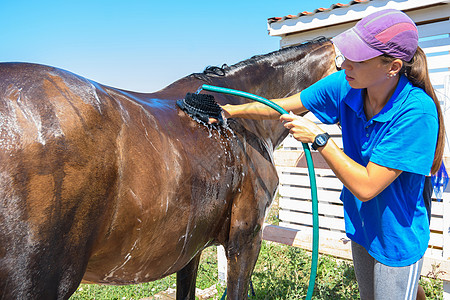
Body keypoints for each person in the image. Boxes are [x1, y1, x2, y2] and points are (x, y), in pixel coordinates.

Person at [212, 9, 445, 300]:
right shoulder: (347, 84)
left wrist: (321, 140)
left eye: (357, 59)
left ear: (393, 66)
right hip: (363, 225)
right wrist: (230, 110)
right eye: (347, 54)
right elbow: (286, 105)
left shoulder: (416, 112)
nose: (345, 64)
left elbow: (366, 186)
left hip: (397, 236)